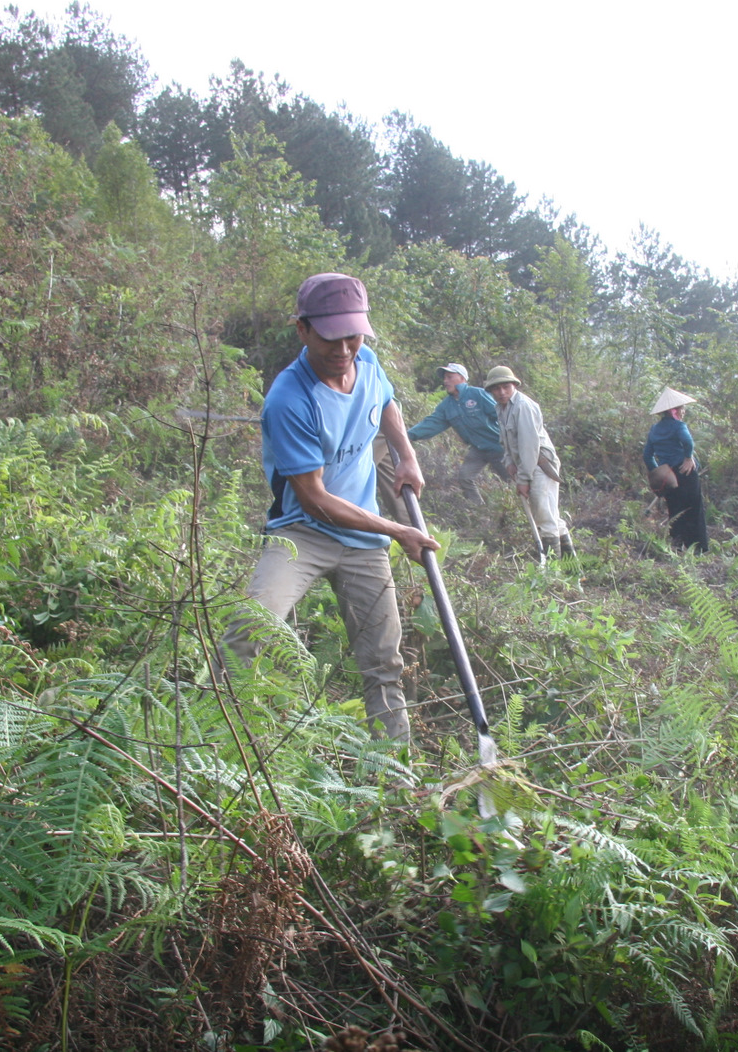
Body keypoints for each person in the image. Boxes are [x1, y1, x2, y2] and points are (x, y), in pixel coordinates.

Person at [225, 273, 440, 743]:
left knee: (384, 661)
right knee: (247, 632)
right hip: (303, 532)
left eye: (353, 335)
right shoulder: (289, 399)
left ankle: (391, 769)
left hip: (363, 542)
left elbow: (386, 401)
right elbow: (316, 499)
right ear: (302, 329)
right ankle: (237, 748)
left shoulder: (366, 360)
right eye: (330, 337)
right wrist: (398, 530)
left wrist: (407, 455)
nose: (344, 350)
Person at [483, 365, 574, 557]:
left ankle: (553, 572)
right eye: (496, 389)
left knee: (544, 517)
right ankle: (571, 565)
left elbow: (528, 446)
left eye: (505, 387)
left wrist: (524, 479)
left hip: (540, 465)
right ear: (490, 391)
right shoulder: (501, 408)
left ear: (514, 385)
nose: (501, 392)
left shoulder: (523, 406)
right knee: (550, 516)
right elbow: (506, 440)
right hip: (526, 464)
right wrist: (508, 461)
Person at [405, 362, 506, 502]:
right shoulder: (447, 405)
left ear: (462, 378)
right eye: (445, 378)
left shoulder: (477, 394)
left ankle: (519, 513)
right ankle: (478, 508)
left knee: (511, 481)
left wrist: (514, 442)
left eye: (450, 377)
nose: (446, 381)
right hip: (478, 449)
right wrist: (405, 435)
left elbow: (502, 416)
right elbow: (431, 424)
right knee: (465, 477)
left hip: (498, 446)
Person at [643, 387, 708, 553]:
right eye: (682, 408)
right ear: (675, 410)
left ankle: (677, 547)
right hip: (685, 473)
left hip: (669, 477)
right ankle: (699, 550)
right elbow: (688, 442)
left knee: (675, 511)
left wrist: (659, 472)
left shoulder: (654, 430)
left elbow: (647, 456)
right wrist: (688, 458)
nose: (683, 411)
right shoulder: (678, 426)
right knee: (694, 510)